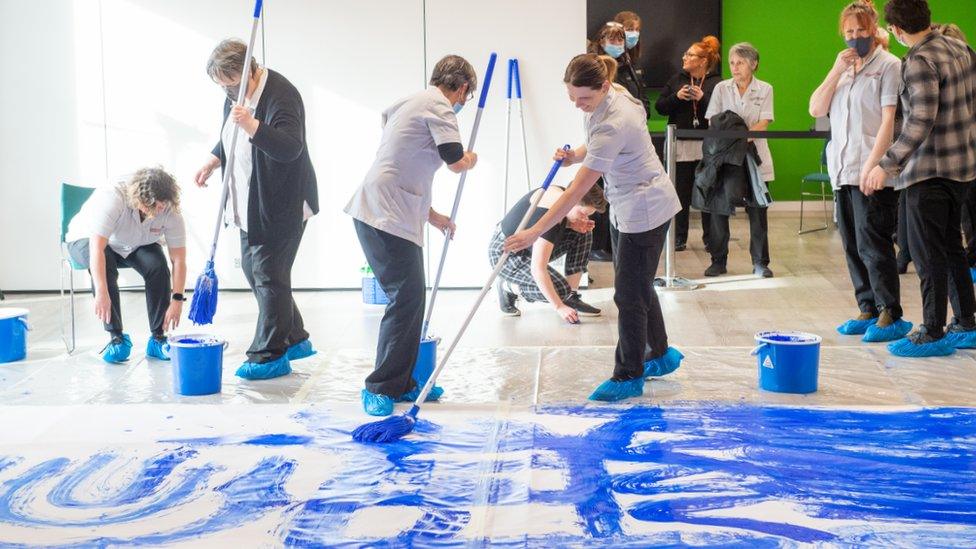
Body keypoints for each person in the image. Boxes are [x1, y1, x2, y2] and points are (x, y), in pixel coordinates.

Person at [505, 54, 684, 403]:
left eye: (584, 99)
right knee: (638, 283)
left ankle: (628, 374)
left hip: (644, 208)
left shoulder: (614, 119)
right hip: (630, 202)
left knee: (628, 294)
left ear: (603, 87)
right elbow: (596, 142)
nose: (579, 106)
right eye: (572, 98)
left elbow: (575, 191)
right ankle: (659, 354)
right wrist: (574, 157)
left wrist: (532, 232)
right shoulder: (609, 94)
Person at [345, 55, 478, 416]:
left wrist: (432, 215)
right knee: (405, 298)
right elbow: (453, 160)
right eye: (466, 96)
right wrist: (471, 159)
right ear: (463, 88)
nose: (463, 103)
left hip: (385, 208)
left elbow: (407, 159)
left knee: (409, 298)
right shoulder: (440, 106)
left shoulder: (410, 101)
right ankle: (380, 386)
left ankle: (401, 382)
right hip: (383, 214)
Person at [194, 38, 319, 380]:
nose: (227, 93)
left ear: (249, 71)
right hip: (250, 202)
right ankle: (295, 337)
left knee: (268, 274)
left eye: (231, 85)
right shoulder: (233, 94)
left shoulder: (281, 94)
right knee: (256, 271)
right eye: (221, 87)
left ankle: (269, 354)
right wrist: (214, 159)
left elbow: (291, 147)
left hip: (282, 200)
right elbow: (229, 134)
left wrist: (252, 124)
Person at [863, 0, 976, 356]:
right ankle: (967, 322)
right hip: (963, 168)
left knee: (928, 256)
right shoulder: (960, 47)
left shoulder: (917, 60)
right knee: (952, 248)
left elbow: (920, 120)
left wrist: (886, 164)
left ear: (895, 30)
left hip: (928, 173)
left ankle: (931, 330)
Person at [809, 0, 910, 343]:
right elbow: (816, 107)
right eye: (849, 31)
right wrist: (835, 71)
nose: (854, 37)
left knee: (873, 243)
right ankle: (866, 306)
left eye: (861, 30)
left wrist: (873, 165)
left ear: (873, 30)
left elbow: (888, 121)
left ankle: (890, 311)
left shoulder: (889, 65)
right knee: (851, 243)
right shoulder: (845, 69)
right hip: (843, 169)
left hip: (871, 171)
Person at [66, 168, 186, 363]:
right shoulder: (113, 197)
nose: (162, 209)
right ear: (142, 201)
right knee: (106, 265)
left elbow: (178, 259)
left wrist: (177, 300)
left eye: (165, 204)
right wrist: (102, 292)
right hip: (87, 240)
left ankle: (157, 338)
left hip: (131, 242)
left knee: (157, 265)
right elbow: (96, 249)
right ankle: (116, 338)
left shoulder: (169, 209)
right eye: (157, 205)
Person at [702, 42, 775, 278]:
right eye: (732, 63)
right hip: (724, 156)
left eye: (740, 62)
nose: (735, 67)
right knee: (719, 209)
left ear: (753, 64)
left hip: (754, 155)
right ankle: (718, 260)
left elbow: (765, 121)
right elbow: (713, 119)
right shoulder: (722, 88)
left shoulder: (765, 88)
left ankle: (760, 263)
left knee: (757, 211)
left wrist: (744, 139)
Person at [490, 184, 607, 322]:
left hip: (527, 247)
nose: (584, 218)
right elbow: (538, 269)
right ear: (573, 201)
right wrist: (559, 306)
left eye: (588, 215)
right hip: (506, 254)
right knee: (559, 290)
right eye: (583, 213)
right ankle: (507, 287)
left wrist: (571, 224)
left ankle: (571, 297)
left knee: (583, 232)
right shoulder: (550, 215)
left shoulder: (565, 195)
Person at [655, 36, 723, 252]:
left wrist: (703, 98)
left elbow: (722, 113)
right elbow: (660, 107)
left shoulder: (716, 82)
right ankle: (678, 238)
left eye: (690, 55)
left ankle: (710, 239)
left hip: (708, 146)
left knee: (707, 192)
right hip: (680, 145)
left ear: (703, 61)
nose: (684, 57)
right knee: (679, 194)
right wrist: (676, 97)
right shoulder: (676, 79)